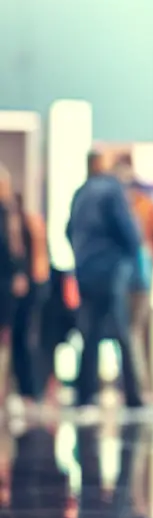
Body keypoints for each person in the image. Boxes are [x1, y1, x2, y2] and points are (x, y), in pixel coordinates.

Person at [66, 151, 144, 410]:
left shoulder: (80, 193)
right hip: (111, 271)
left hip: (85, 271)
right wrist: (131, 260)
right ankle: (133, 396)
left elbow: (68, 230)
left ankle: (85, 394)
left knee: (89, 333)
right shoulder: (111, 190)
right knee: (122, 333)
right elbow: (128, 231)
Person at [112, 155, 153, 398]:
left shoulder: (138, 205)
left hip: (136, 279)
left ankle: (138, 388)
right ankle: (137, 388)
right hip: (135, 279)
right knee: (132, 334)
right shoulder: (132, 205)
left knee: (131, 334)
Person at [8, 191, 50, 413]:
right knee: (25, 339)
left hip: (29, 287)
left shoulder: (21, 224)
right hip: (35, 286)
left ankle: (30, 391)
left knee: (24, 340)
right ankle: (30, 391)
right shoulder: (31, 222)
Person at [0, 166, 24, 406]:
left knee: (6, 337)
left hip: (5, 285)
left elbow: (13, 251)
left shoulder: (9, 214)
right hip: (5, 284)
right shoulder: (8, 215)